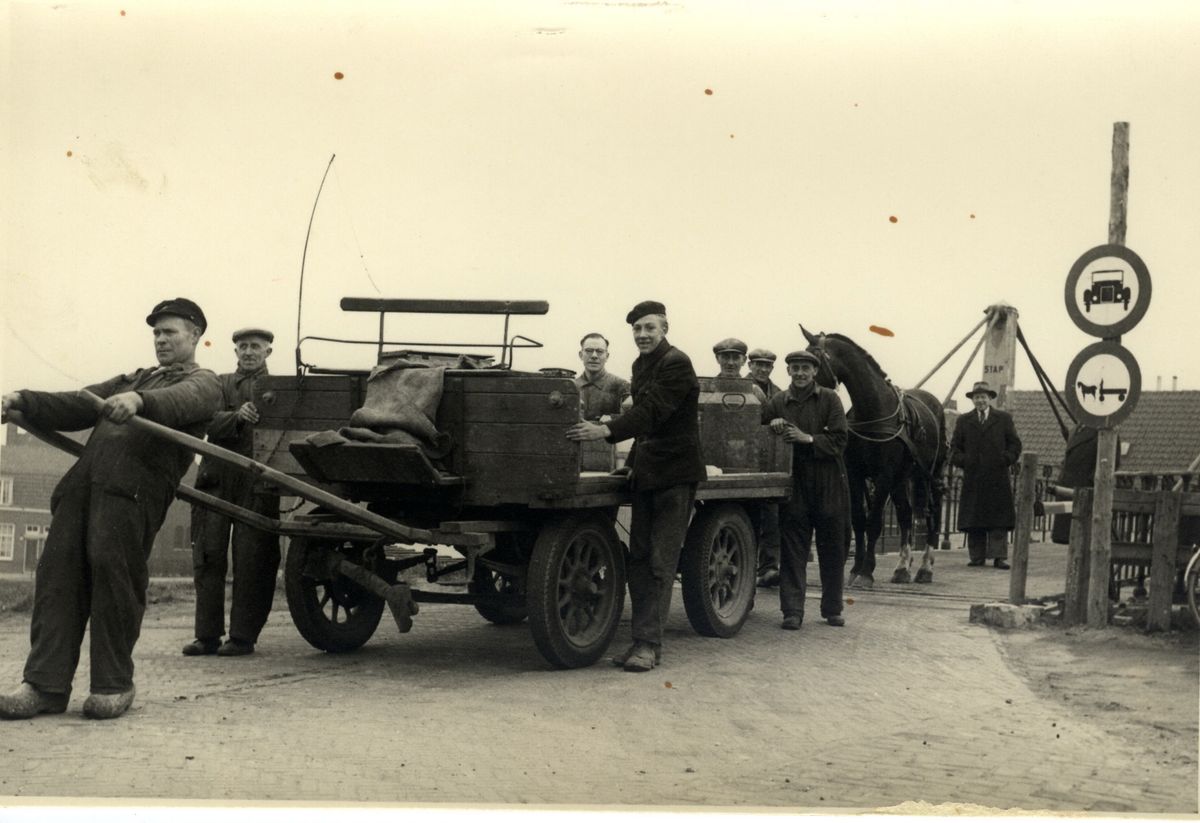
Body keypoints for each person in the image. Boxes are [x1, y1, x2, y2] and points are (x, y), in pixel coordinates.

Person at [0, 298, 220, 720]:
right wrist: (23, 399)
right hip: (82, 489)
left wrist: (139, 402)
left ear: (194, 336)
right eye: (156, 332)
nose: (160, 339)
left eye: (170, 331)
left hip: (131, 494)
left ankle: (113, 685)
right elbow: (80, 402)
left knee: (113, 580)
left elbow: (183, 401)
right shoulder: (134, 378)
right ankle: (43, 686)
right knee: (56, 577)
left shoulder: (205, 381)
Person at [566, 301, 705, 672]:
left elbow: (653, 412)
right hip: (647, 473)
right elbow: (647, 428)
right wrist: (630, 465)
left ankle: (648, 645)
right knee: (639, 561)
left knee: (660, 562)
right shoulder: (641, 365)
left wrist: (606, 430)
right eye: (637, 330)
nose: (642, 335)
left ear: (664, 328)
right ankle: (641, 641)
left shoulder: (677, 362)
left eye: (649, 328)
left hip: (675, 475)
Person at [183, 327, 281, 657]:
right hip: (216, 476)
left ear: (268, 351)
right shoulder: (218, 383)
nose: (249, 352)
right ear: (235, 351)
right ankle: (206, 636)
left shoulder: (279, 388)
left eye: (256, 346)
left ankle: (243, 637)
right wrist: (236, 418)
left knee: (253, 557)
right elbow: (203, 421)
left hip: (257, 480)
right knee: (208, 554)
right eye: (243, 346)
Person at [762, 350, 850, 631]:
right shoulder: (777, 401)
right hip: (794, 482)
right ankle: (792, 611)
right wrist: (771, 424)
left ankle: (832, 608)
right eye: (795, 368)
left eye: (805, 368)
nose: (800, 373)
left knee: (833, 547)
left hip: (828, 480)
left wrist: (808, 438)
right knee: (793, 548)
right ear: (788, 372)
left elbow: (840, 439)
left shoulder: (830, 399)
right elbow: (760, 436)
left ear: (814, 372)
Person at [949, 381, 1022, 569]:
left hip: (997, 476)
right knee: (975, 517)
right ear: (973, 400)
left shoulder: (1003, 419)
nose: (980, 400)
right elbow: (954, 448)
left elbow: (1015, 444)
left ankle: (999, 557)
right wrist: (964, 461)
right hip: (973, 477)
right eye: (976, 397)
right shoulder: (964, 420)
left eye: (983, 397)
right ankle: (977, 557)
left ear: (990, 399)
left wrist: (1005, 459)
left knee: (998, 518)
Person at [747, 347, 783, 586]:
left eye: (767, 365)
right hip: (743, 460)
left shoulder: (779, 393)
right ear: (749, 366)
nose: (762, 369)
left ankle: (768, 567)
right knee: (748, 516)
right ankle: (748, 569)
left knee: (771, 515)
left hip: (768, 460)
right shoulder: (739, 387)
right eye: (758, 364)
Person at [573, 332, 631, 423]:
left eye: (600, 351)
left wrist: (613, 418)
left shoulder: (621, 386)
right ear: (581, 355)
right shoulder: (571, 387)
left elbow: (634, 417)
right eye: (589, 351)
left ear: (607, 356)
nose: (594, 356)